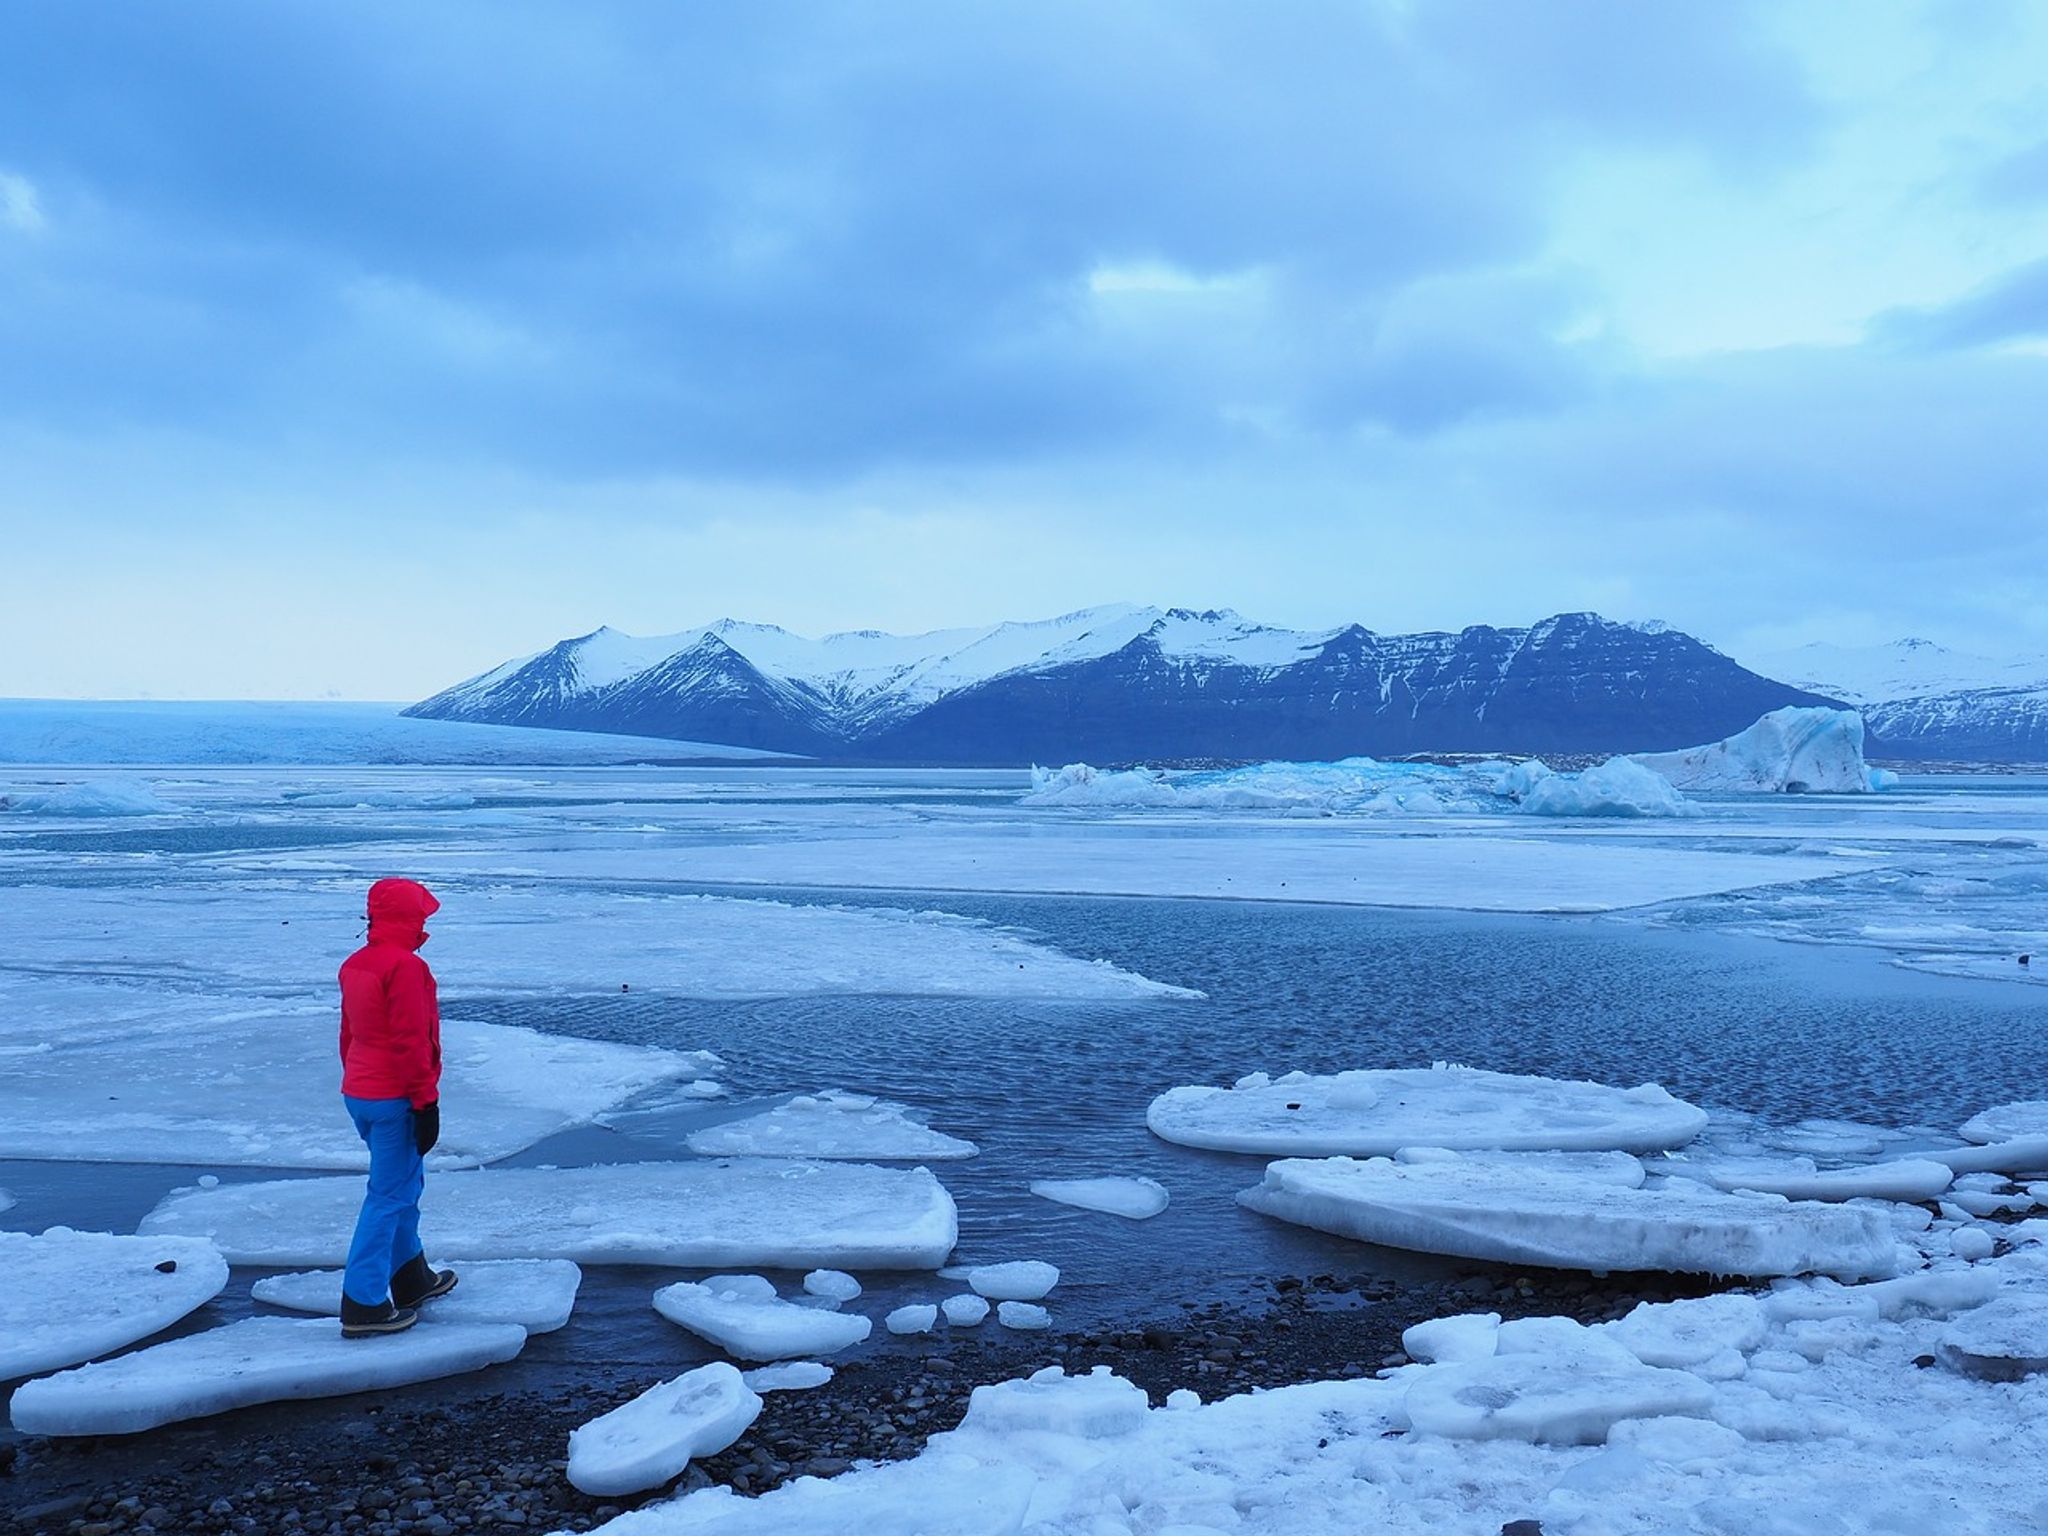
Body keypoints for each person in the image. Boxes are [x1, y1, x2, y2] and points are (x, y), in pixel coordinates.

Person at [337, 877, 458, 1336]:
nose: (426, 922)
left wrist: (358, 1084)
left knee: (403, 1184)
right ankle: (363, 1302)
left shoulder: (357, 964)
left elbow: (349, 1035)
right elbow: (412, 1041)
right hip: (395, 1097)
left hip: (362, 1094)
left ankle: (411, 1277)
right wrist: (426, 1102)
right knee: (388, 1197)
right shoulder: (407, 968)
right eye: (421, 915)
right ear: (408, 917)